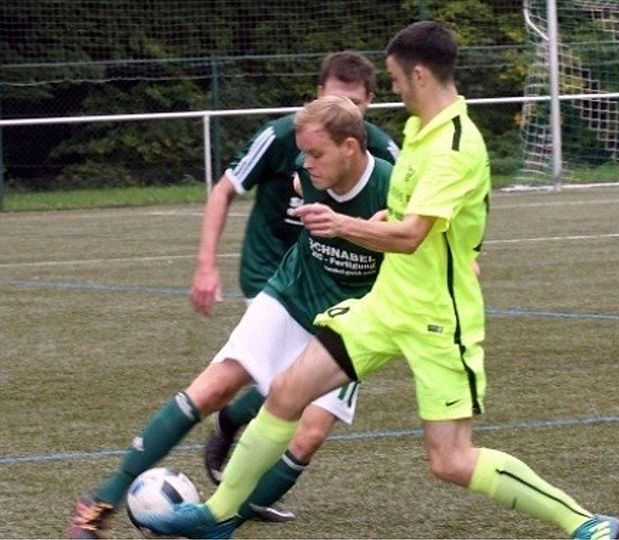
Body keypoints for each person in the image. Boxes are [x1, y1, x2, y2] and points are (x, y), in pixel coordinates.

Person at [140, 21, 619, 540]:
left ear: (418, 73)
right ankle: (218, 518)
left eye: (394, 78)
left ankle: (583, 523)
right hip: (386, 303)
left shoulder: (456, 147)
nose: (391, 89)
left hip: (438, 315)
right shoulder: (419, 131)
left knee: (451, 460)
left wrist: (339, 223)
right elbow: (397, 219)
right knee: (286, 392)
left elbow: (412, 234)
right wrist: (352, 222)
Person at [66, 96, 392, 539]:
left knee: (308, 435)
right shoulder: (305, 170)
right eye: (304, 153)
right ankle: (101, 499)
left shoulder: (393, 184)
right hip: (292, 294)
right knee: (216, 384)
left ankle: (222, 524)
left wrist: (374, 231)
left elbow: (420, 240)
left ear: (351, 147)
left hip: (350, 319)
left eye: (316, 153)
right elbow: (268, 184)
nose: (305, 162)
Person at [195, 51, 400, 521]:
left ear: (370, 101)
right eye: (335, 99)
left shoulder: (386, 155)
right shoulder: (284, 135)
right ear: (317, 97)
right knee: (286, 382)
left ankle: (238, 475)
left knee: (296, 388)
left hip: (345, 287)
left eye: (354, 102)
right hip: (275, 270)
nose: (344, 110)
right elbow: (225, 188)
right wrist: (206, 264)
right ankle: (237, 493)